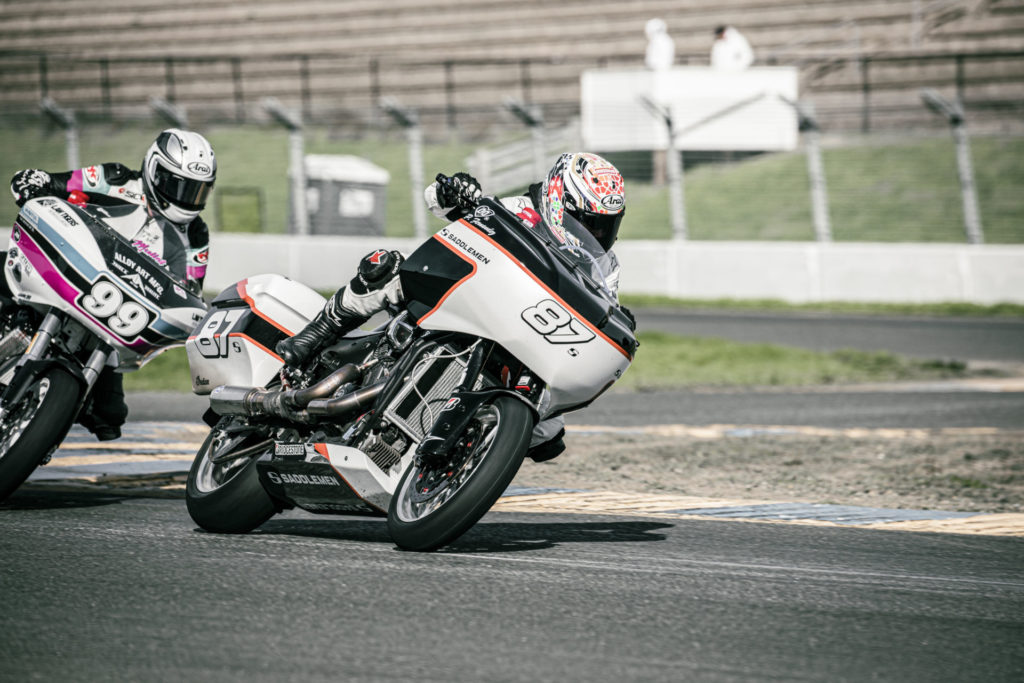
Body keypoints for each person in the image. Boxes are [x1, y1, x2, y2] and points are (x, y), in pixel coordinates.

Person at [276, 152, 629, 463]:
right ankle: (317, 332)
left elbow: (603, 305)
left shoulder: (606, 267)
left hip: (525, 337)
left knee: (548, 433)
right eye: (588, 222)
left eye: (604, 226)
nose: (595, 234)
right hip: (471, 304)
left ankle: (464, 450)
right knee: (385, 267)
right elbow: (438, 203)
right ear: (556, 200)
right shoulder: (521, 210)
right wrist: (454, 194)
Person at [4, 128, 217, 440]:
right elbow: (58, 184)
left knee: (109, 416)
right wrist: (36, 182)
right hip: (62, 276)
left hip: (115, 314)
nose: (187, 198)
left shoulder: (196, 233)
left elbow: (191, 290)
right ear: (155, 170)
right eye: (178, 186)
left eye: (197, 191)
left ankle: (39, 432)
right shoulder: (116, 178)